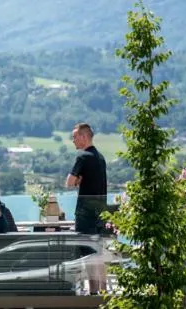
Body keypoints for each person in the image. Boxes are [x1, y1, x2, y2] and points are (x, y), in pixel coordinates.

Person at [65, 122, 107, 294]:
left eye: (75, 137)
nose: (73, 140)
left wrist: (77, 181)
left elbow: (69, 182)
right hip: (100, 212)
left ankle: (92, 293)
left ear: (84, 137)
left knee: (88, 254)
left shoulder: (82, 157)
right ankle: (103, 293)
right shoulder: (100, 157)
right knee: (98, 253)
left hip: (85, 213)